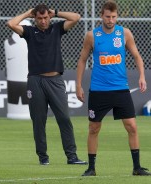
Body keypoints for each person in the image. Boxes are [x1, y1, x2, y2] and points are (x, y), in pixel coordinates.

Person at [76, 1, 150, 176]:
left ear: (117, 16)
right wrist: (78, 85)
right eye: (108, 17)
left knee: (132, 126)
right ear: (101, 15)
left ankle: (137, 167)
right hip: (99, 90)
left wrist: (141, 76)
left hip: (120, 89)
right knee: (94, 128)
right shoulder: (91, 36)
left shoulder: (124, 33)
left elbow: (137, 56)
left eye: (114, 17)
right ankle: (91, 168)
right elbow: (82, 60)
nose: (111, 20)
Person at [6, 4, 87, 165]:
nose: (43, 21)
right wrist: (27, 13)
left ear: (49, 17)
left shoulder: (57, 28)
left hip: (55, 81)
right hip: (36, 81)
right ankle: (43, 157)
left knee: (64, 118)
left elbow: (76, 17)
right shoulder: (29, 32)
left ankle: (72, 156)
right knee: (38, 120)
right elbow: (11, 24)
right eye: (39, 18)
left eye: (45, 18)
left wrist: (56, 12)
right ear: (34, 19)